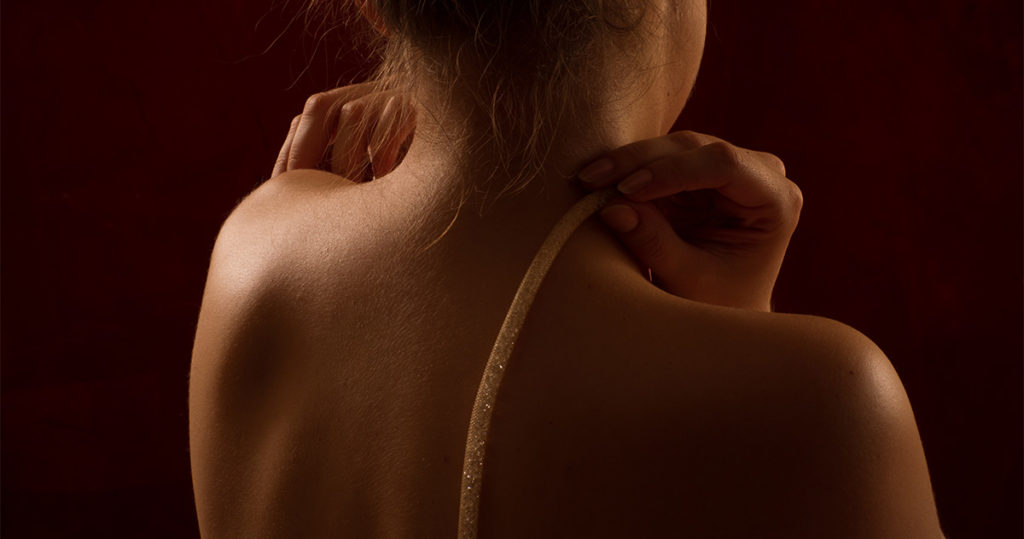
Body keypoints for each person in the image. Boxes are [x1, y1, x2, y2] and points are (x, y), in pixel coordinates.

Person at [189, 0, 946, 536]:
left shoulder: (252, 254)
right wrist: (745, 332)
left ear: (378, 5)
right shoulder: (827, 406)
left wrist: (294, 208)